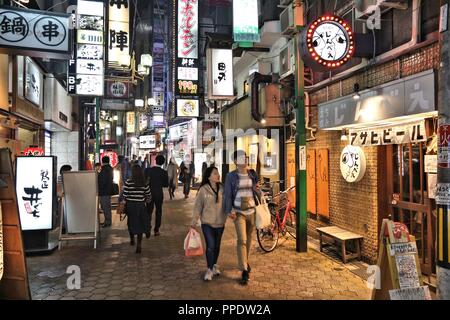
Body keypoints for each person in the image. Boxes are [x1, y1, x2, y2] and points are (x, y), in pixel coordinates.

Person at [223, 150, 260, 285]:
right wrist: (229, 210)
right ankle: (244, 269)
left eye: (245, 157)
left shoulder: (252, 174)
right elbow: (227, 194)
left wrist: (258, 189)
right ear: (235, 162)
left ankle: (246, 261)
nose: (244, 159)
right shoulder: (231, 176)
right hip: (239, 212)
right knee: (242, 240)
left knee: (249, 240)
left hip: (252, 211)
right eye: (241, 158)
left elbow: (255, 189)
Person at [191, 166, 226, 281]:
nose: (218, 175)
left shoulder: (222, 188)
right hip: (207, 223)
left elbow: (227, 203)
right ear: (209, 176)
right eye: (215, 173)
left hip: (220, 223)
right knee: (210, 246)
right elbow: (197, 207)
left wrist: (231, 212)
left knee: (217, 246)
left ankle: (214, 265)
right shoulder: (203, 190)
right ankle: (209, 269)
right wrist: (194, 221)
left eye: (218, 173)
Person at [122, 165, 151, 254]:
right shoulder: (144, 183)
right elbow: (148, 194)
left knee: (131, 223)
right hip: (140, 206)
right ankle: (139, 244)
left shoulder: (128, 182)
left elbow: (125, 195)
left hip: (130, 206)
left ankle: (132, 240)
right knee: (140, 225)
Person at [144, 155, 169, 236]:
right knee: (158, 211)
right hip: (159, 193)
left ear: (155, 160)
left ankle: (147, 228)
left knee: (148, 211)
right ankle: (156, 230)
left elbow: (144, 181)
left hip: (149, 193)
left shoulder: (148, 170)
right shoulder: (164, 172)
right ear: (163, 163)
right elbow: (165, 185)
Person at [98, 156, 114, 227]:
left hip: (104, 191)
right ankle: (108, 221)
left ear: (102, 161)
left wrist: (99, 188)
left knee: (105, 207)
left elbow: (102, 181)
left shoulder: (104, 170)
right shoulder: (110, 168)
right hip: (108, 190)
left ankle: (107, 222)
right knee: (107, 206)